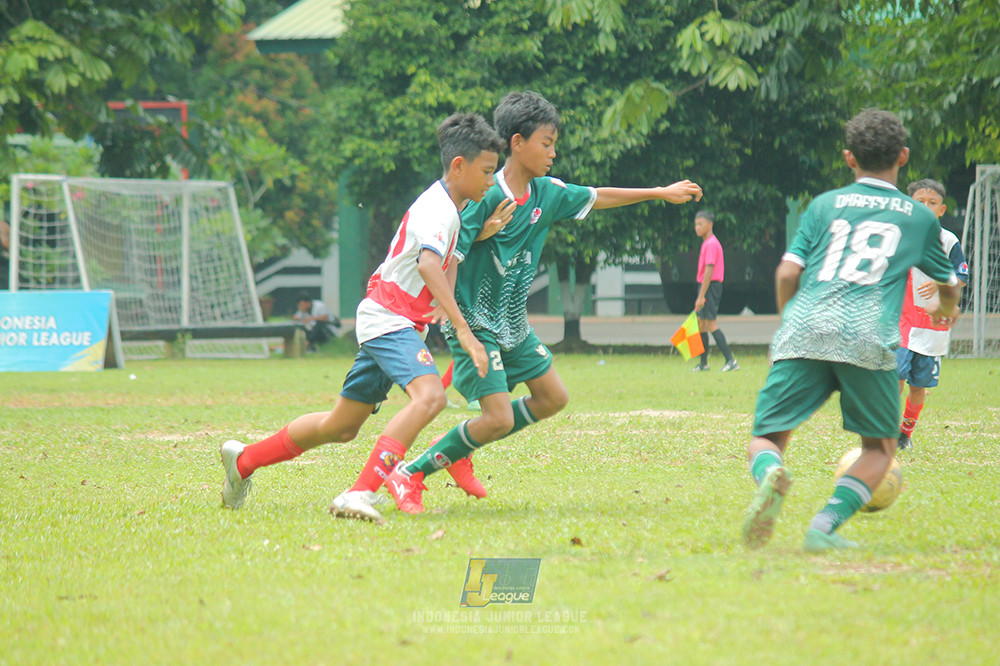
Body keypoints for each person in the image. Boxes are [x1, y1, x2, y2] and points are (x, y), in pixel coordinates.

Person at [383, 90, 703, 514]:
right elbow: (451, 250)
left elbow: (598, 195)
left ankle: (464, 443)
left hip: (513, 324)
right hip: (476, 323)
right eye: (546, 144)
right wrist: (454, 317)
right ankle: (412, 472)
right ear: (517, 143)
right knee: (496, 418)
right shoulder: (485, 193)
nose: (553, 153)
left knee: (553, 398)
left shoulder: (547, 194)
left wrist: (659, 192)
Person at [219, 112, 512, 521]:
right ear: (458, 165)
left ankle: (243, 462)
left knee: (341, 426)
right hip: (390, 319)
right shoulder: (439, 209)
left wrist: (476, 242)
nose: (489, 181)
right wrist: (463, 332)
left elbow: (443, 264)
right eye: (485, 171)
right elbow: (429, 266)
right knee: (430, 398)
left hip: (390, 319)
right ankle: (359, 493)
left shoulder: (453, 207)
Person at [741, 108, 962, 552]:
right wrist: (944, 309)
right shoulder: (919, 218)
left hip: (806, 327)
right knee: (880, 449)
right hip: (868, 335)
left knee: (768, 436)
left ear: (848, 158)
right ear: (902, 157)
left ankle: (771, 474)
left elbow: (787, 275)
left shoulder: (824, 205)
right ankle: (823, 527)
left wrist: (792, 322)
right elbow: (948, 283)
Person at [896, 179, 969, 450]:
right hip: (901, 322)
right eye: (919, 202)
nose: (925, 207)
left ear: (942, 209)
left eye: (932, 202)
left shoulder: (948, 240)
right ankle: (886, 433)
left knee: (918, 386)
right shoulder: (899, 236)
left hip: (932, 327)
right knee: (895, 378)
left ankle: (905, 434)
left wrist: (940, 283)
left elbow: (962, 275)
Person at [691, 210, 739, 372]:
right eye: (696, 224)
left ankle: (731, 361)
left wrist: (701, 295)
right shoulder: (706, 243)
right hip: (706, 286)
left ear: (710, 225)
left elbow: (709, 271)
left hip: (710, 286)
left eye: (700, 224)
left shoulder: (711, 243)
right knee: (702, 325)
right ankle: (704, 364)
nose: (697, 227)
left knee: (710, 323)